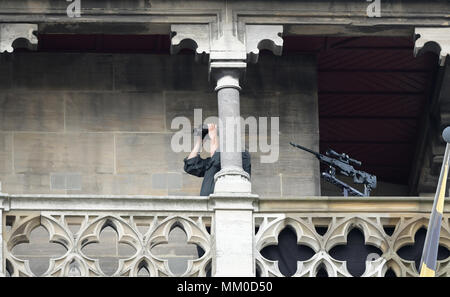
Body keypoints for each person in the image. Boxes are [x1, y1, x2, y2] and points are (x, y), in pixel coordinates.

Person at [184, 123, 251, 196]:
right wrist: (200, 140)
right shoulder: (211, 163)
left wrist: (213, 137)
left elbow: (216, 161)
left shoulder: (242, 153)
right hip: (208, 204)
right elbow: (190, 165)